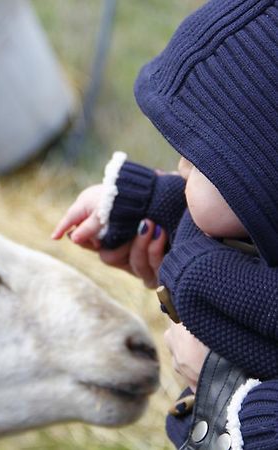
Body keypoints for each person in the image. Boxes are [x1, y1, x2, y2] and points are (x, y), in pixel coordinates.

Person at [52, 0, 278, 448]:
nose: (179, 168)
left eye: (198, 159)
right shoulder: (247, 223)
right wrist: (134, 205)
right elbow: (199, 220)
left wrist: (222, 390)